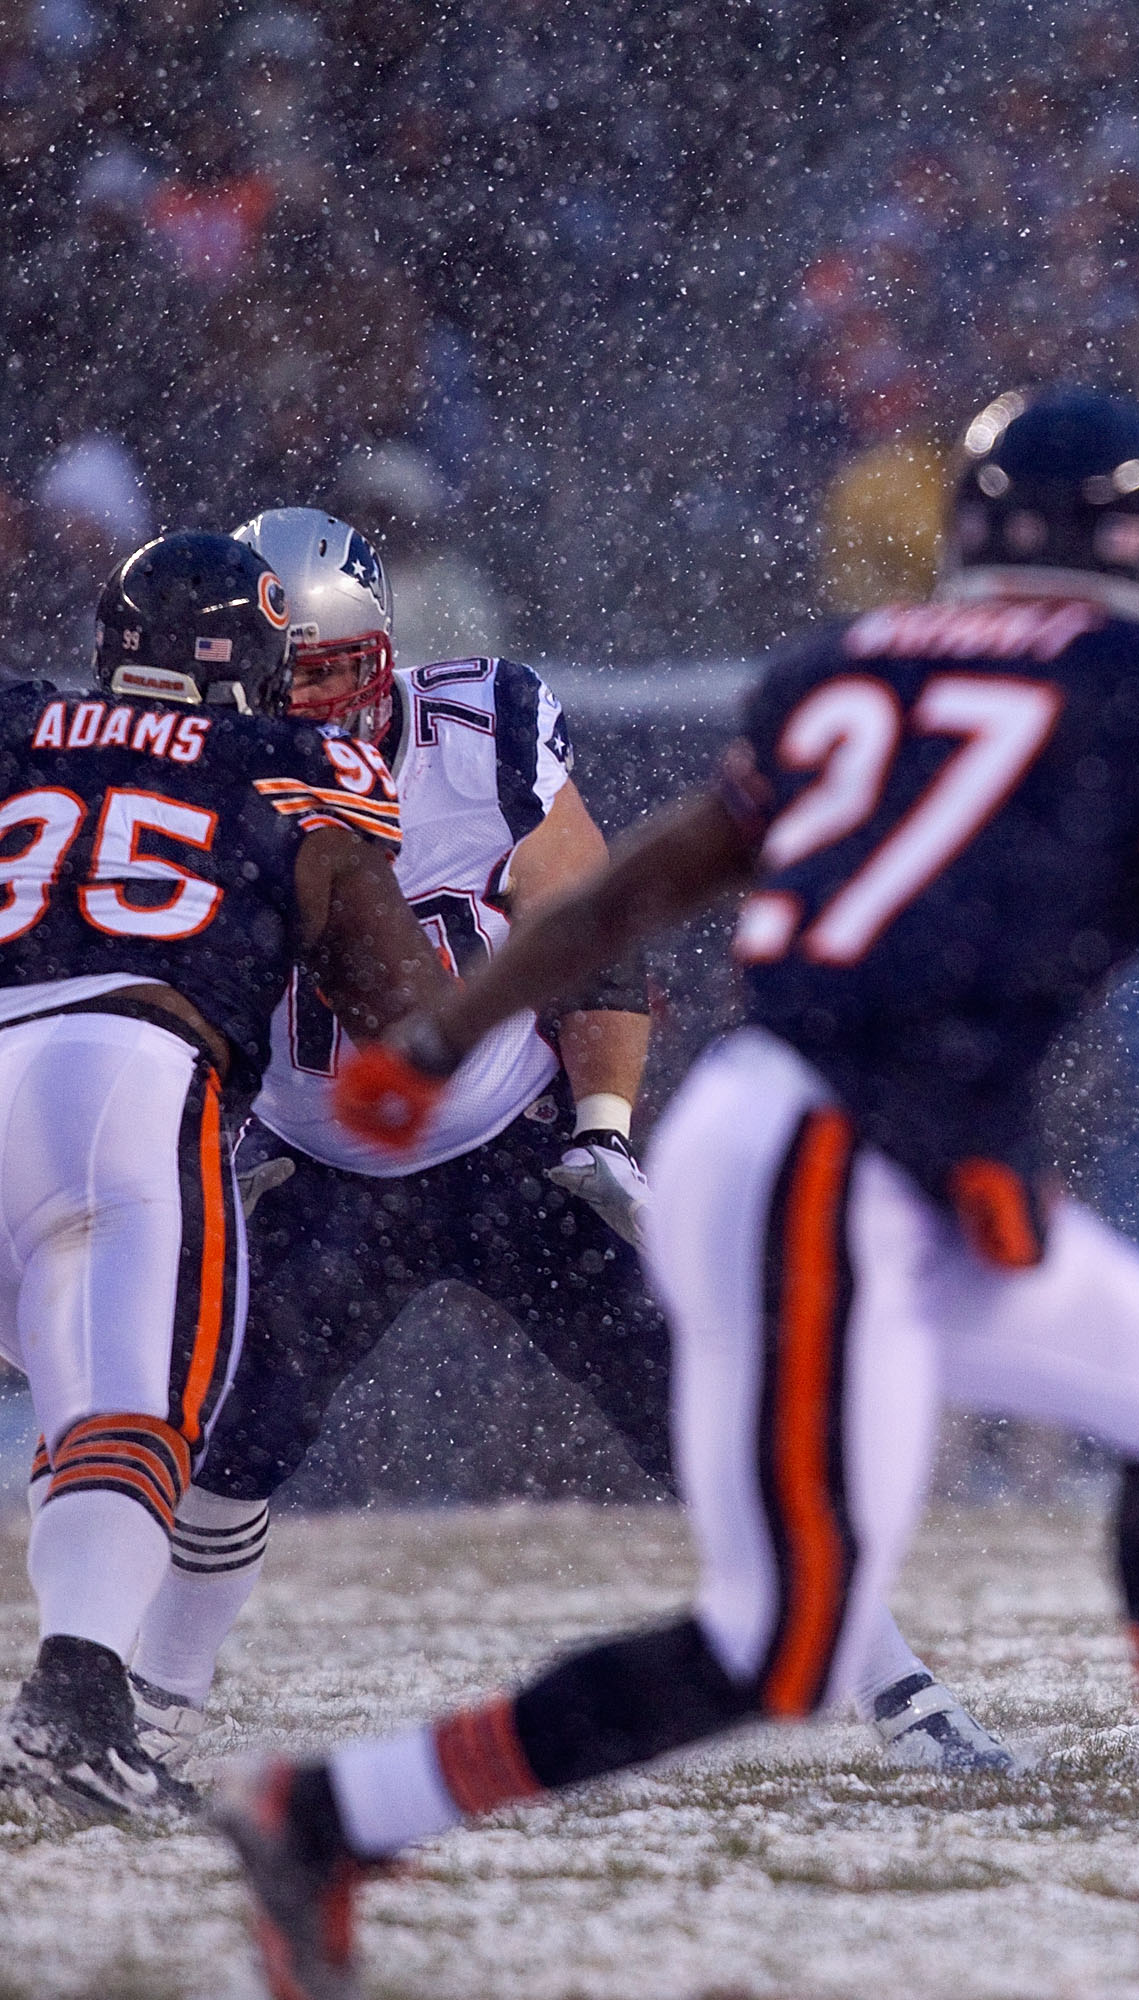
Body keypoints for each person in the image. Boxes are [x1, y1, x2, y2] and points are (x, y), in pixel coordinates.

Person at [209, 389, 1139, 1999]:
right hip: (833, 1161)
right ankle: (329, 1813)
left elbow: (630, 894)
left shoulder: (852, 668)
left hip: (880, 1142)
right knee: (787, 1644)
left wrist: (437, 1043)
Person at [126, 507, 1011, 1772]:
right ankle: (151, 1705)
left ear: (380, 653)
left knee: (707, 1418)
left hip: (506, 1136)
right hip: (321, 1159)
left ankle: (901, 1686)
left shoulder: (476, 736)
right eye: (287, 674)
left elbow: (589, 923)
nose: (309, 702)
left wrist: (602, 1128)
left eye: (332, 669)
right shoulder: (200, 773)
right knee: (235, 1440)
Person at [1, 532, 450, 1820]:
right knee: (127, 1414)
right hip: (122, 1081)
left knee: (79, 1406)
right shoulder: (296, 762)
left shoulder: (19, 720)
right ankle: (81, 1705)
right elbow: (401, 1004)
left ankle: (80, 1696)